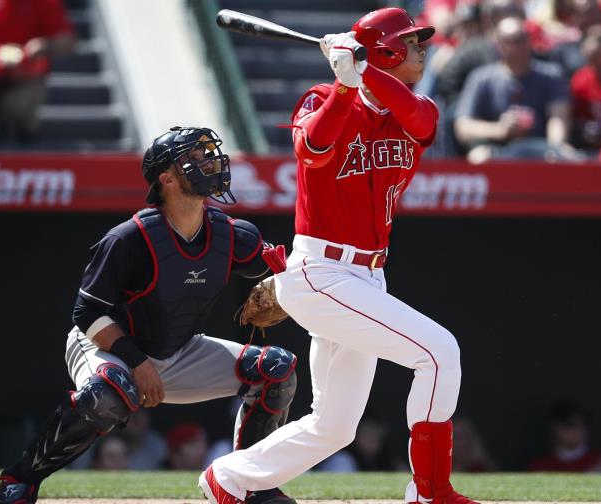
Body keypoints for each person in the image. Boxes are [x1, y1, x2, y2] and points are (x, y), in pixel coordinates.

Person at [201, 8, 478, 504]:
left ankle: (230, 478)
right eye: (412, 42)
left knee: (334, 427)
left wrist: (364, 70)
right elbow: (314, 148)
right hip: (321, 270)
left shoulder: (413, 107)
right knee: (439, 354)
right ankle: (431, 492)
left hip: (367, 277)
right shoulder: (322, 98)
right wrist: (346, 86)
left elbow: (423, 122)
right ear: (388, 50)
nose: (424, 48)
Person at [0, 126, 299, 504]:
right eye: (195, 158)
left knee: (276, 371)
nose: (210, 162)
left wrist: (288, 287)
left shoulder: (232, 233)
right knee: (107, 396)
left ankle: (251, 484)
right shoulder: (129, 238)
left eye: (208, 154)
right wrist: (137, 363)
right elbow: (86, 312)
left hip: (178, 349)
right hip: (108, 345)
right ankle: (20, 480)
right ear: (167, 179)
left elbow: (284, 266)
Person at [0, 0, 75, 141]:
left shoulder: (46, 3)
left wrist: (46, 45)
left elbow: (67, 40)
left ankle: (23, 137)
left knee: (21, 102)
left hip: (25, 77)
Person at [454, 16, 573, 162]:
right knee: (478, 157)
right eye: (511, 41)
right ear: (499, 45)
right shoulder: (481, 78)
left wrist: (555, 149)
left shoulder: (551, 75)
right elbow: (463, 127)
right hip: (497, 149)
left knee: (566, 155)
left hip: (540, 147)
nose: (519, 46)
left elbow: (558, 119)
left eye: (523, 39)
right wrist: (501, 129)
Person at [527, 401, 601, 473]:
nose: (577, 430)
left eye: (582, 424)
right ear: (555, 428)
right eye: (569, 425)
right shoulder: (540, 466)